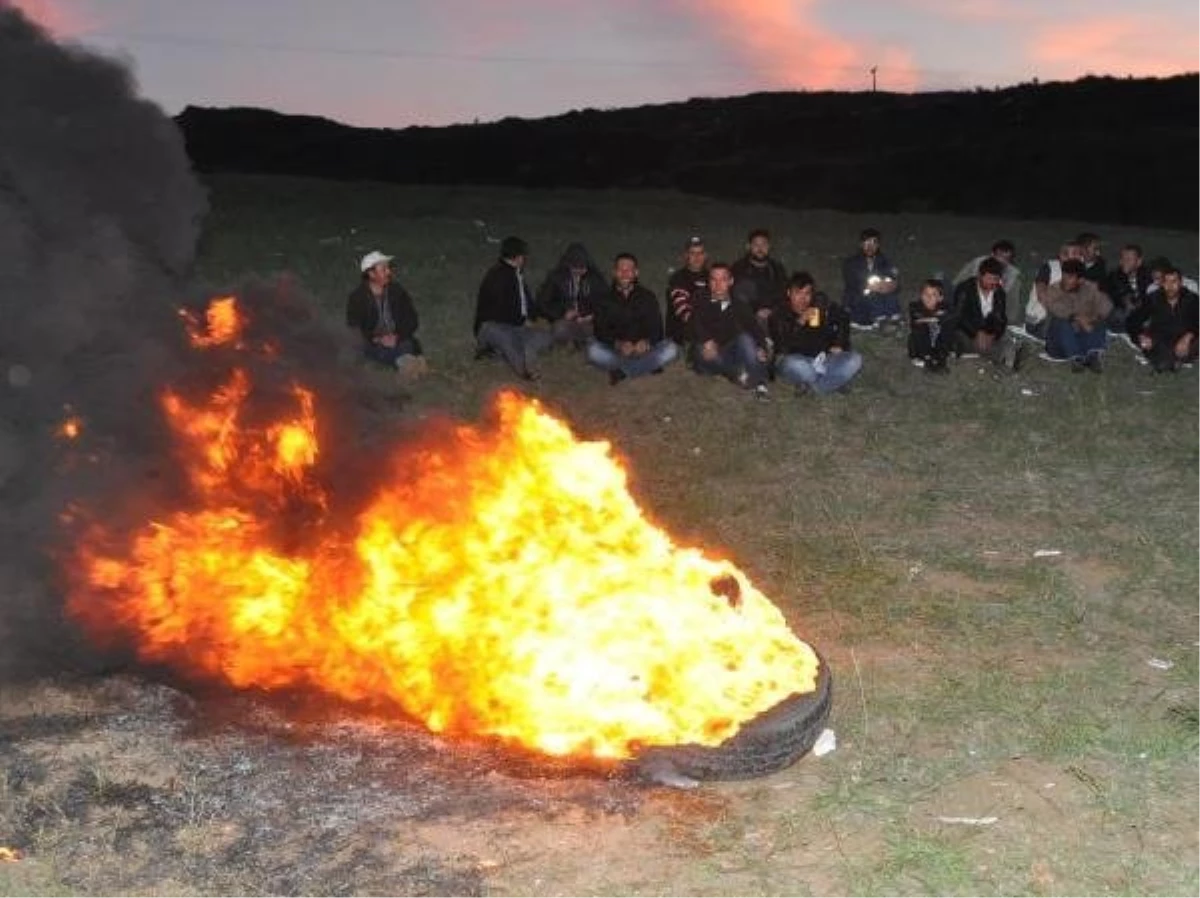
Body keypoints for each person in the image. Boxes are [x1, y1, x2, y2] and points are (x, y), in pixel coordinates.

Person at [587, 253, 679, 384]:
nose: (625, 274)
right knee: (592, 350)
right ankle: (647, 365)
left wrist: (646, 342)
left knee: (672, 349)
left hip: (643, 350)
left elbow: (657, 329)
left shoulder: (647, 296)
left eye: (629, 270)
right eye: (621, 270)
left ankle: (623, 370)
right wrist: (618, 344)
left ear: (636, 273)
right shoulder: (604, 299)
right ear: (614, 272)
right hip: (616, 350)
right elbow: (600, 330)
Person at [473, 236, 552, 380]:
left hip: (516, 326)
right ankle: (523, 371)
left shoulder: (517, 274)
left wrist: (537, 317)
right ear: (517, 257)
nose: (525, 259)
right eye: (523, 256)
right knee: (507, 339)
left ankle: (499, 353)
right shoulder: (497, 277)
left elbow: (526, 301)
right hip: (492, 326)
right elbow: (497, 312)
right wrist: (521, 321)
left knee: (544, 337)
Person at [769, 272, 862, 395]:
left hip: (823, 359)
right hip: (796, 360)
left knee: (855, 359)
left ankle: (815, 388)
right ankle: (832, 382)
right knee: (798, 366)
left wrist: (839, 343)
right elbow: (783, 346)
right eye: (798, 293)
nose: (802, 298)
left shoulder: (819, 305)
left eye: (807, 293)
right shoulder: (778, 314)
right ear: (789, 293)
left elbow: (843, 317)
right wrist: (800, 322)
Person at [690, 262, 770, 398]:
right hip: (708, 352)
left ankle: (759, 383)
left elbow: (754, 328)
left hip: (730, 349)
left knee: (745, 338)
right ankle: (738, 374)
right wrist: (707, 341)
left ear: (730, 281)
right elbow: (693, 324)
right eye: (714, 279)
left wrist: (762, 347)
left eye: (723, 279)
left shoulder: (738, 304)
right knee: (701, 351)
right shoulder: (700, 298)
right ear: (709, 282)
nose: (718, 284)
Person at [345, 250, 426, 377]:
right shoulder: (358, 298)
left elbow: (412, 319)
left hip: (397, 339)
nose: (389, 272)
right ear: (371, 274)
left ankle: (406, 360)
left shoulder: (396, 291)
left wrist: (397, 336)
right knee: (363, 349)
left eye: (388, 268)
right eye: (383, 269)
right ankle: (407, 361)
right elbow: (354, 327)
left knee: (407, 343)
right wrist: (377, 339)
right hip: (374, 342)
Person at [951, 257, 1023, 370]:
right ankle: (1003, 356)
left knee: (1004, 336)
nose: (992, 283)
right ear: (980, 275)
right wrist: (976, 332)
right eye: (989, 278)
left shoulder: (999, 292)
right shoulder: (965, 289)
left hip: (989, 330)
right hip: (967, 330)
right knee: (966, 340)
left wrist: (992, 334)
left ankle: (1006, 353)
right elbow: (958, 316)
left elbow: (1000, 319)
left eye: (995, 279)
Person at [1043, 259, 1113, 372]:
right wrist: (1079, 318)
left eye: (1070, 278)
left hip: (1083, 336)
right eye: (1064, 276)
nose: (1065, 281)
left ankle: (1092, 355)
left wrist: (1092, 318)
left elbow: (1106, 305)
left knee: (1100, 319)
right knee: (1061, 322)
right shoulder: (1054, 289)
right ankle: (1076, 359)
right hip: (1058, 344)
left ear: (1080, 280)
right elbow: (1056, 308)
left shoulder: (1090, 288)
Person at [1127, 266, 1200, 372]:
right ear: (1161, 283)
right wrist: (1141, 336)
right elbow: (1133, 320)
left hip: (1185, 335)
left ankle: (1181, 358)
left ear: (1180, 283)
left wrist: (1188, 337)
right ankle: (1174, 360)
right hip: (1161, 337)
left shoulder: (1191, 299)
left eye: (1174, 282)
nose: (1170, 286)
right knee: (1162, 364)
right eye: (1166, 282)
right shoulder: (1153, 298)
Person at [536, 242, 606, 349]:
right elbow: (543, 303)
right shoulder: (556, 278)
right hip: (566, 322)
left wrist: (591, 316)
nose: (580, 272)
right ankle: (576, 341)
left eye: (583, 268)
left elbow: (605, 301)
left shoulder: (594, 278)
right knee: (560, 330)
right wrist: (562, 313)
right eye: (577, 268)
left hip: (588, 321)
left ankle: (584, 341)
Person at [1023, 240, 1084, 341]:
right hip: (1040, 319)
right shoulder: (1048, 268)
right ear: (1063, 256)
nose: (1079, 258)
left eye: (1080, 254)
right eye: (1075, 254)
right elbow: (1041, 296)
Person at [841, 227, 901, 330]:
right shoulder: (851, 262)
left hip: (880, 294)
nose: (870, 247)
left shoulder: (883, 260)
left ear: (878, 245)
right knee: (872, 296)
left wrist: (892, 285)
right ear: (861, 244)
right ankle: (879, 319)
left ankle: (891, 319)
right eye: (867, 243)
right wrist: (870, 286)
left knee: (890, 294)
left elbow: (892, 278)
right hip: (859, 296)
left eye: (874, 243)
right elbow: (852, 284)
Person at [731, 228, 789, 326]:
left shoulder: (777, 268)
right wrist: (756, 310)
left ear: (769, 246)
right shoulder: (738, 268)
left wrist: (772, 310)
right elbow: (735, 295)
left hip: (774, 315)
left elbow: (785, 293)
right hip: (748, 317)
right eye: (756, 244)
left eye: (763, 244)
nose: (760, 248)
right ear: (748, 246)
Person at [664, 235, 710, 349]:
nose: (697, 257)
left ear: (706, 256)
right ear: (686, 256)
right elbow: (684, 312)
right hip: (684, 332)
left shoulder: (712, 276)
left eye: (700, 253)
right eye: (692, 253)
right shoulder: (678, 278)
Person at [1101, 244, 1153, 339]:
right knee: (1119, 315)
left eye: (1129, 259)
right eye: (1122, 258)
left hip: (1143, 312)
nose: (1125, 262)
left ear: (1139, 262)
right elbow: (1113, 295)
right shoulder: (1114, 276)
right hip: (1123, 312)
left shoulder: (1148, 275)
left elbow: (1150, 294)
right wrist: (1125, 299)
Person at [907, 279, 954, 373]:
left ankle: (941, 358)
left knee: (947, 328)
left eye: (933, 295)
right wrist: (935, 318)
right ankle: (926, 358)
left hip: (937, 340)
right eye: (925, 294)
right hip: (921, 342)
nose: (928, 298)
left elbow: (951, 317)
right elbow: (916, 321)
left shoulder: (945, 306)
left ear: (940, 298)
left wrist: (939, 318)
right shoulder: (915, 306)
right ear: (921, 295)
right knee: (919, 329)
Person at [952, 239, 1021, 295]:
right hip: (967, 292)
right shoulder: (978, 263)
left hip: (994, 298)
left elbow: (1005, 293)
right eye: (999, 256)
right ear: (992, 254)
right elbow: (971, 286)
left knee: (1016, 285)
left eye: (1006, 259)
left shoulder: (1012, 273)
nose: (1001, 261)